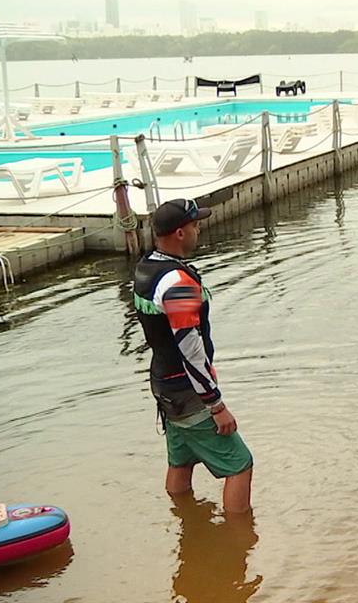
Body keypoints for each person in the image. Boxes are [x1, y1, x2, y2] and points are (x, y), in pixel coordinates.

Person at [133, 199, 253, 514]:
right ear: (180, 233)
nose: (198, 230)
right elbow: (190, 348)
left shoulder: (146, 268)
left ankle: (186, 526)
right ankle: (239, 537)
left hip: (163, 385)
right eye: (195, 225)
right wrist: (216, 405)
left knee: (181, 459)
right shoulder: (177, 283)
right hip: (187, 392)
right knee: (239, 464)